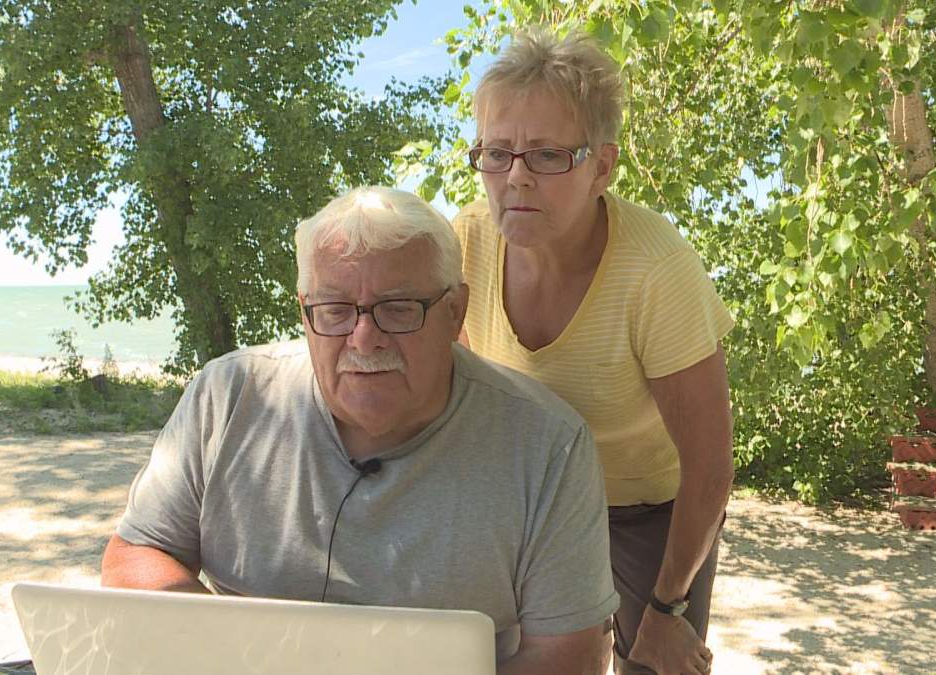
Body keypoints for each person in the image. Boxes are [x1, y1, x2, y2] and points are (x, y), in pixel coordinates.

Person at [101, 186, 619, 674]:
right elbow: (136, 555)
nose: (364, 339)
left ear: (454, 311)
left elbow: (568, 656)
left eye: (398, 309)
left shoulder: (548, 445)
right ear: (304, 315)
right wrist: (234, 650)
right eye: (335, 310)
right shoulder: (228, 397)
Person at [451, 30, 735, 675]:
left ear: (602, 167)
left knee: (655, 665)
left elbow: (711, 465)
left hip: (649, 511)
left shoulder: (656, 269)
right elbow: (457, 394)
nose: (516, 177)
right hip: (530, 500)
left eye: (548, 155)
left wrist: (666, 611)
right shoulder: (465, 241)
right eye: (497, 153)